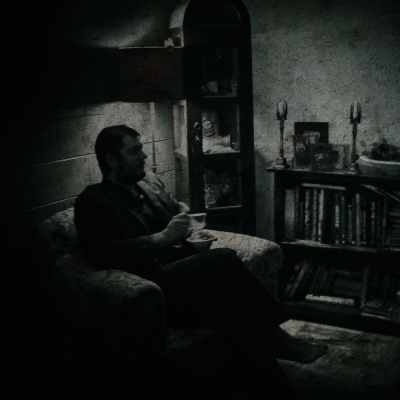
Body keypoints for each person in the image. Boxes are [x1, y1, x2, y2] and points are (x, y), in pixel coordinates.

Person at [74, 125, 327, 397]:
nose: (144, 156)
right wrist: (162, 238)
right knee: (223, 260)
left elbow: (176, 221)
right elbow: (103, 251)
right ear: (111, 160)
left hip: (184, 278)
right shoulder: (93, 201)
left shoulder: (149, 185)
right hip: (152, 287)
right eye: (134, 151)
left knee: (237, 319)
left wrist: (186, 223)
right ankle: (276, 336)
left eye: (142, 149)